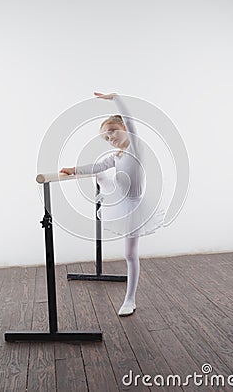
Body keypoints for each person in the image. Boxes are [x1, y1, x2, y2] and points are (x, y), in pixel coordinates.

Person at [60, 92, 165, 316]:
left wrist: (116, 98)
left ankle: (130, 299)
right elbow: (95, 166)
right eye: (106, 138)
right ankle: (102, 183)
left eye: (112, 132)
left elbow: (130, 120)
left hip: (135, 206)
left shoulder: (137, 149)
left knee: (129, 254)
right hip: (120, 200)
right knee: (101, 173)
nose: (111, 138)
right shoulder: (116, 156)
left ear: (123, 128)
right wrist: (74, 170)